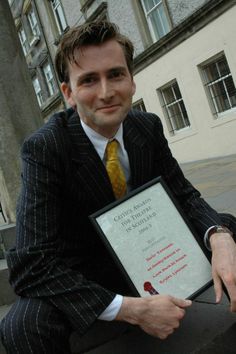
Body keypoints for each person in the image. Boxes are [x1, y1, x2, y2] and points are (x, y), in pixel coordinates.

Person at [1, 20, 236, 353]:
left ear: (132, 80)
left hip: (151, 254)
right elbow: (29, 264)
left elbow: (184, 195)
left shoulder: (147, 127)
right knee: (23, 325)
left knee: (228, 230)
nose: (106, 92)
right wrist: (132, 310)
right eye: (88, 80)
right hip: (86, 272)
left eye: (115, 74)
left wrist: (220, 236)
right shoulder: (46, 147)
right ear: (68, 93)